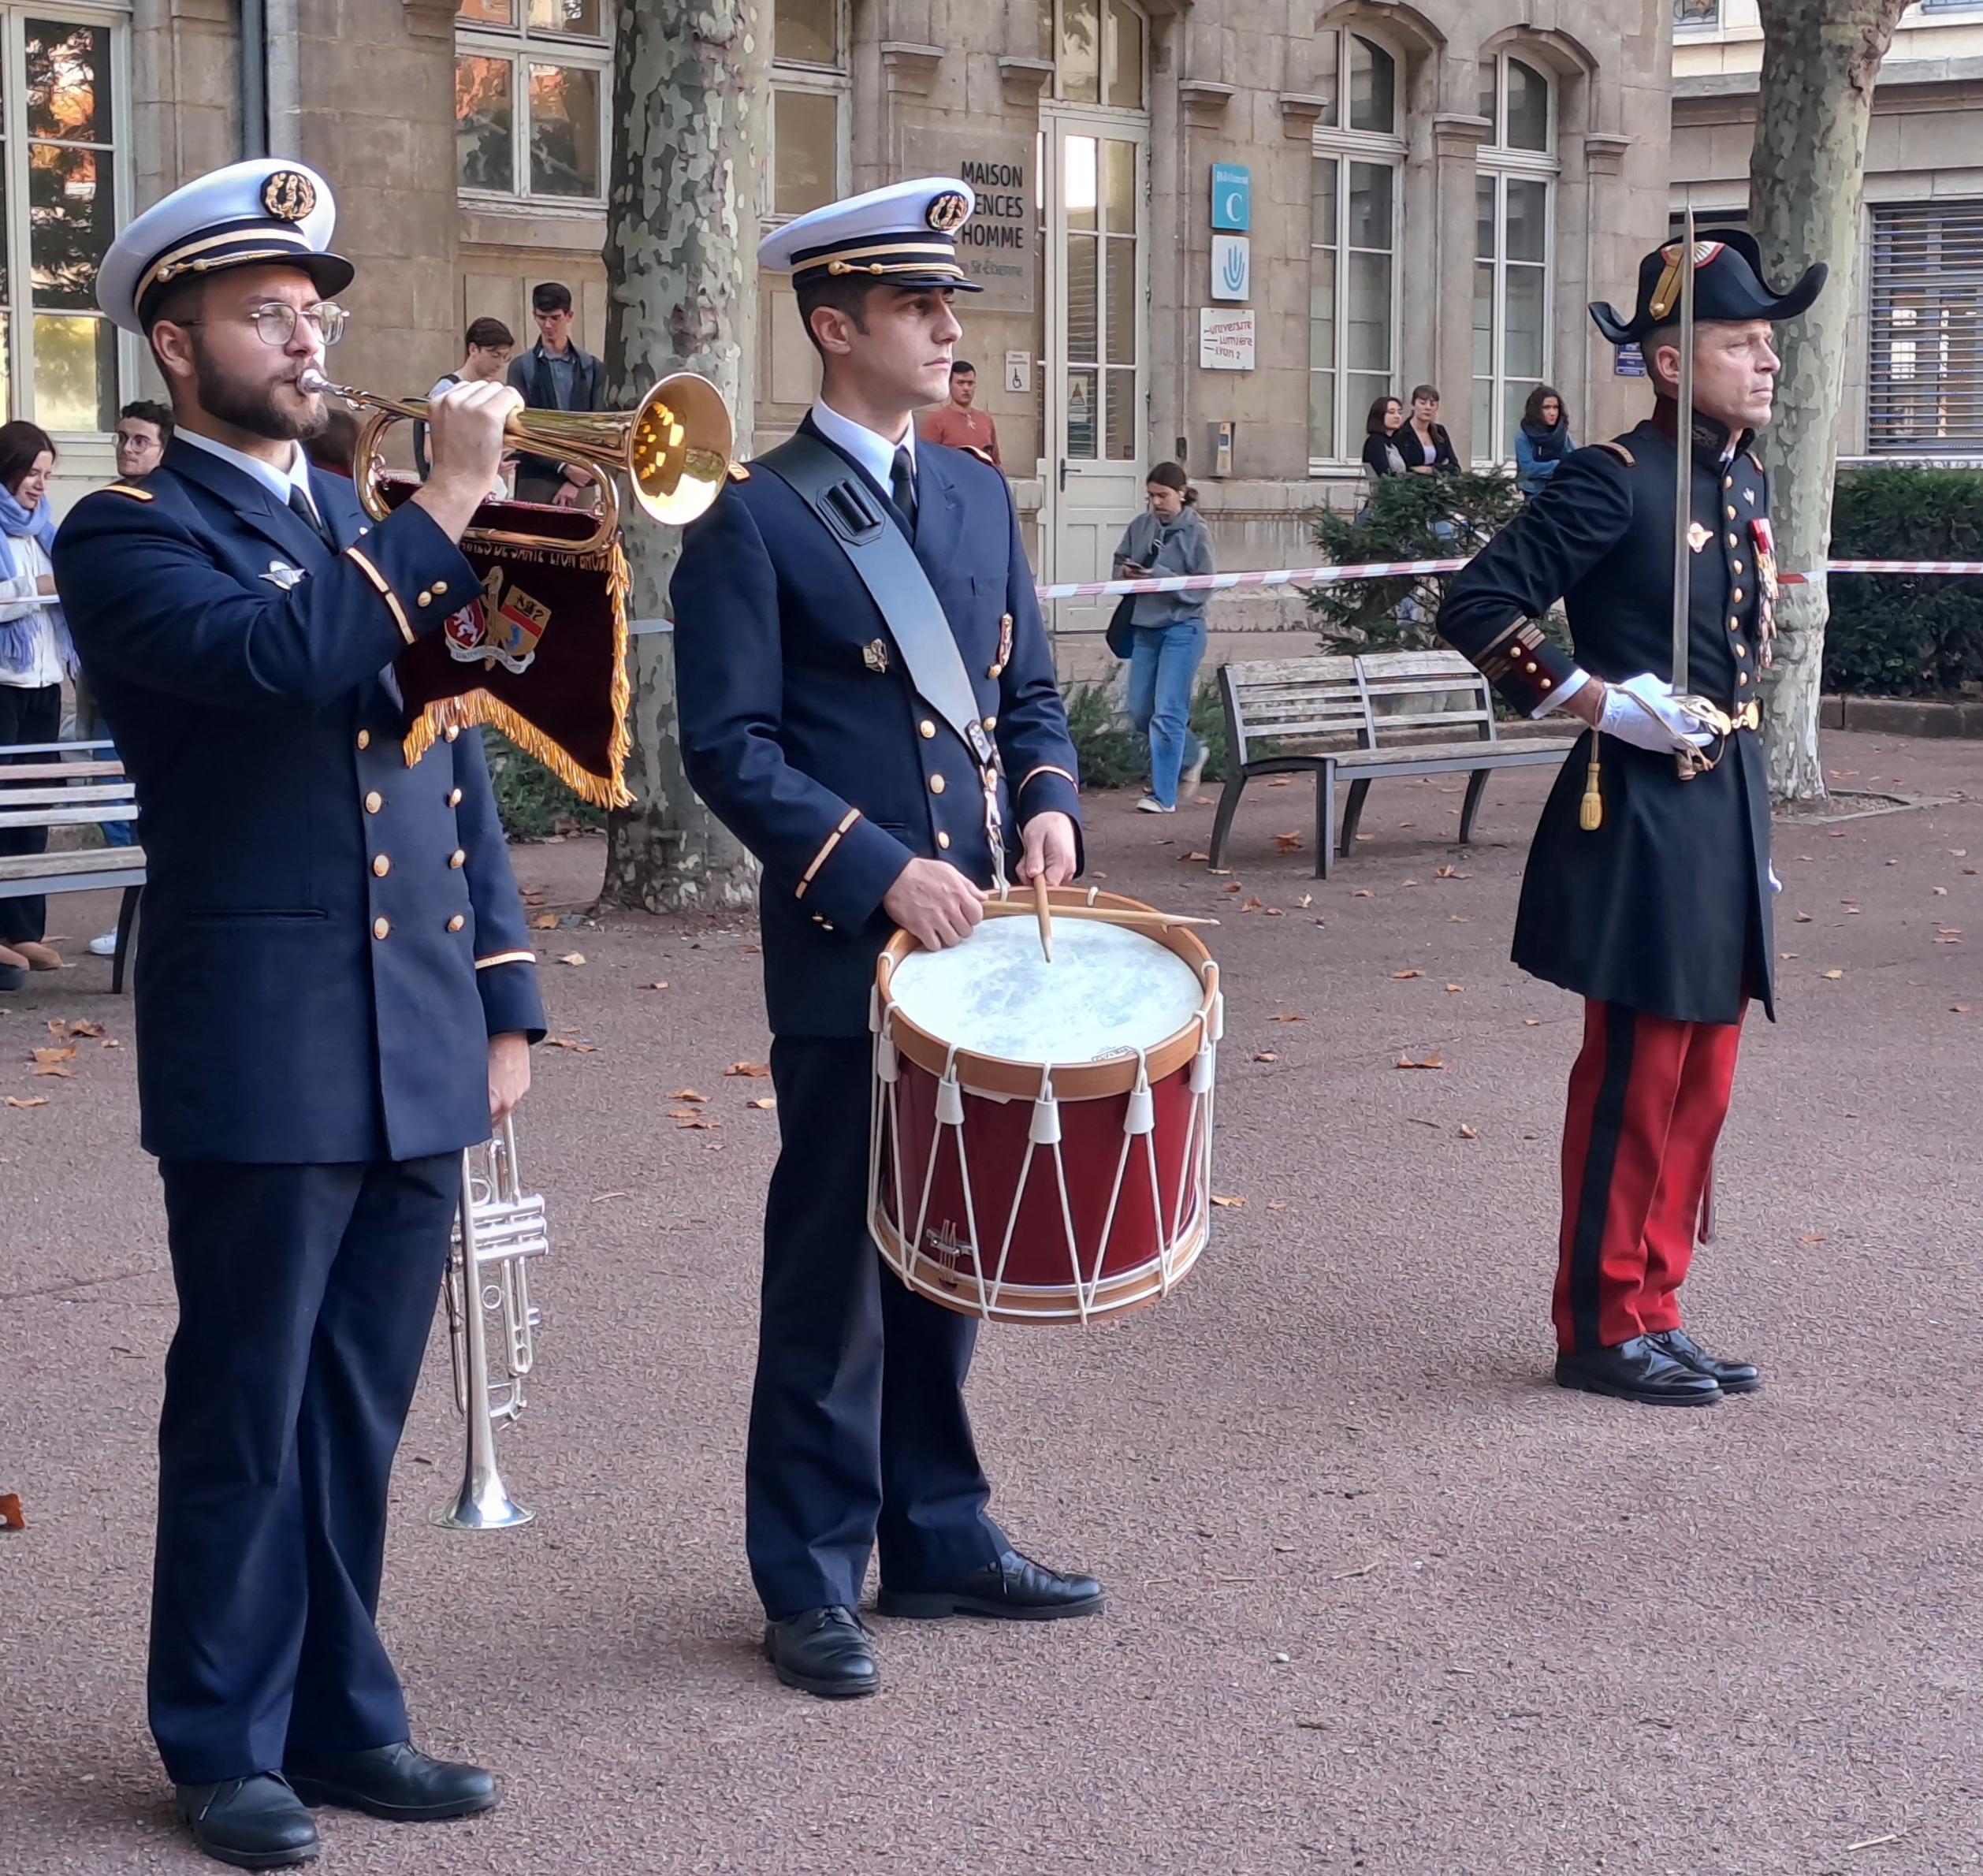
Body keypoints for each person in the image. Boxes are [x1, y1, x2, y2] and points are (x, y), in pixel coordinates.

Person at [54, 157, 544, 1869]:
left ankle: (344, 1714)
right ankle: (220, 1733)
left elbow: (449, 743)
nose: (307, 333)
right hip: (261, 1032)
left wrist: (506, 992)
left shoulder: (353, 519)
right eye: (265, 312)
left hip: (411, 1021)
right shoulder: (122, 530)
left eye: (313, 306)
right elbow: (277, 673)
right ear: (175, 348)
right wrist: (437, 516)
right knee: (250, 1397)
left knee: (359, 1400)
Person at [672, 177, 1099, 1704]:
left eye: (949, 304)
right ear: (834, 325)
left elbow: (1027, 692)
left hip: (981, 941)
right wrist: (877, 869)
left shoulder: (979, 490)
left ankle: (935, 1528)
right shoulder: (754, 511)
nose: (947, 328)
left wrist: (1048, 806)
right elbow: (728, 744)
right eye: (919, 307)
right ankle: (805, 1572)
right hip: (856, 947)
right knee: (837, 1262)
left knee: (952, 1249)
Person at [1434, 229, 1826, 1408]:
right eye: (1741, 344)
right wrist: (1604, 701)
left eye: (1770, 344)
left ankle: (1657, 1303)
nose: (1768, 364)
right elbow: (1477, 602)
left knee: (1704, 1069)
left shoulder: (1740, 470)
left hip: (1726, 796)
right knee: (1638, 1070)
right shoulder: (1614, 474)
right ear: (1668, 364)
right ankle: (1600, 1323)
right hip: (1642, 801)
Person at [76, 406, 175, 954]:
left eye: (141, 440)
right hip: (105, 676)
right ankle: (131, 914)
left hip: (157, 684)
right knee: (108, 787)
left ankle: (145, 918)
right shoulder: (104, 510)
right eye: (123, 438)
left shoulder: (173, 510)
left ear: (165, 449)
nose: (129, 448)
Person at [0, 421, 73, 989]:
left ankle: (24, 928)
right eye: (32, 472)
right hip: (3, 684)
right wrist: (39, 591)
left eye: (47, 475)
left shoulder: (44, 530)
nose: (40, 485)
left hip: (44, 682)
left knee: (34, 808)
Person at [1111, 462, 1211, 813]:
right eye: (1151, 495)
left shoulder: (1196, 531)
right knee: (1141, 711)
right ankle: (1193, 752)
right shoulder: (1141, 526)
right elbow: (1118, 563)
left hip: (1183, 628)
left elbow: (1203, 585)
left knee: (1168, 711)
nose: (1156, 502)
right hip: (1145, 627)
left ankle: (1162, 796)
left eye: (1163, 495)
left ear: (1182, 493)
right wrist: (1127, 573)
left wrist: (1162, 576)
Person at [505, 281, 602, 505]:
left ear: (569, 316)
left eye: (555, 318)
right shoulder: (522, 366)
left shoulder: (593, 367)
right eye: (541, 318)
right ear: (534, 315)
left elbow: (598, 427)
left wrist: (578, 480)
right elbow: (519, 428)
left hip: (582, 475)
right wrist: (563, 467)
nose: (547, 325)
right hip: (536, 475)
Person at [415, 315, 515, 481]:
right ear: (473, 349)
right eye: (495, 355)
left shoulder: (493, 391)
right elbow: (430, 452)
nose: (500, 364)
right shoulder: (446, 390)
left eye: (505, 357)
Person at [916, 359, 1001, 466]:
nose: (966, 388)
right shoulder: (936, 421)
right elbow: (925, 462)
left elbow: (996, 462)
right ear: (950, 384)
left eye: (970, 383)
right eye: (960, 383)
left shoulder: (986, 420)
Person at [1515, 385, 1574, 497]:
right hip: (1534, 492)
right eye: (1547, 407)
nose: (1552, 413)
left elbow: (1574, 459)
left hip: (1561, 490)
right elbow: (1528, 468)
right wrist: (1557, 464)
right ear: (1537, 409)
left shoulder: (1562, 433)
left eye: (1555, 407)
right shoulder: (1523, 435)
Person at [1401, 384, 1459, 474]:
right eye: (1422, 403)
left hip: (1437, 485)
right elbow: (1402, 468)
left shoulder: (1440, 431)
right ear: (1412, 405)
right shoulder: (1402, 433)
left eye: (1433, 404)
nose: (1428, 407)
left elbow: (1455, 467)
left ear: (1437, 407)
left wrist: (1432, 469)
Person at [116, 400, 175, 479]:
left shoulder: (177, 491)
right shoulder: (108, 491)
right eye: (122, 438)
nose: (126, 448)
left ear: (165, 450)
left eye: (140, 442)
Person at [1360, 395, 1407, 482]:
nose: (1397, 416)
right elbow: (1384, 474)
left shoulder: (1396, 442)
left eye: (1400, 412)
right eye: (1391, 412)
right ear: (1379, 415)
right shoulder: (1375, 442)